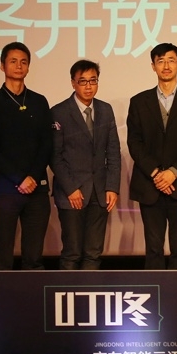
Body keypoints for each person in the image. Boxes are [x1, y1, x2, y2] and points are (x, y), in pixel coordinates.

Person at [127, 42, 177, 269]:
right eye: (160, 61)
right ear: (153, 66)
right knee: (153, 247)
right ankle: (155, 288)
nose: (166, 66)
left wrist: (172, 173)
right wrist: (156, 173)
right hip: (149, 184)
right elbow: (134, 142)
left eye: (171, 60)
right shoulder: (139, 101)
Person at [0, 42, 52, 270]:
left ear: (29, 67)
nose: (19, 66)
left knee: (34, 257)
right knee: (3, 255)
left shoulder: (39, 101)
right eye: (13, 61)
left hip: (37, 188)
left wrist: (33, 176)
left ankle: (32, 293)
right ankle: (1, 293)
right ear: (2, 66)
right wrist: (19, 178)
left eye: (23, 62)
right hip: (5, 189)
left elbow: (46, 143)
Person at [50, 60, 121, 270]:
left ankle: (89, 290)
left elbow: (113, 151)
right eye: (83, 81)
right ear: (73, 83)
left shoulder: (105, 110)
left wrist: (112, 187)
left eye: (93, 81)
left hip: (100, 192)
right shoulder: (59, 112)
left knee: (93, 253)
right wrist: (70, 188)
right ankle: (68, 291)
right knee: (72, 252)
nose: (88, 86)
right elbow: (54, 155)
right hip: (72, 193)